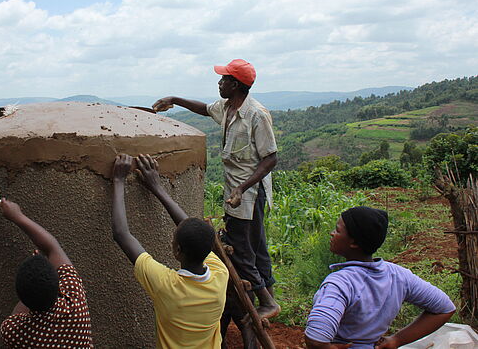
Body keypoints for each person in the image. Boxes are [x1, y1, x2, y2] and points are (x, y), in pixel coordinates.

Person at [153, 59, 279, 346]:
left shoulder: (256, 115)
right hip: (238, 191)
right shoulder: (227, 108)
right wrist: (174, 99)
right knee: (256, 246)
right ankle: (267, 296)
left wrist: (242, 188)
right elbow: (203, 108)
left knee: (243, 249)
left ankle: (265, 300)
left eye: (223, 80)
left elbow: (271, 158)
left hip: (248, 192)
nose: (219, 83)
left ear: (235, 84)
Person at [111, 153, 229, 348]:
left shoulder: (167, 286)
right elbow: (188, 227)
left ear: (178, 251)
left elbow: (121, 234)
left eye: (173, 239)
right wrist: (157, 188)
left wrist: (118, 180)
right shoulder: (220, 274)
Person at [305, 206, 456, 349]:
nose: (332, 234)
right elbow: (444, 308)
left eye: (337, 230)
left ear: (354, 242)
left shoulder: (341, 283)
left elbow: (316, 339)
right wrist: (397, 340)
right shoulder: (397, 275)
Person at [0, 199, 92, 348]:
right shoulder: (75, 299)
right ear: (58, 284)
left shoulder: (13, 331)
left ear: (22, 299)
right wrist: (18, 216)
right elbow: (52, 247)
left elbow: (15, 316)